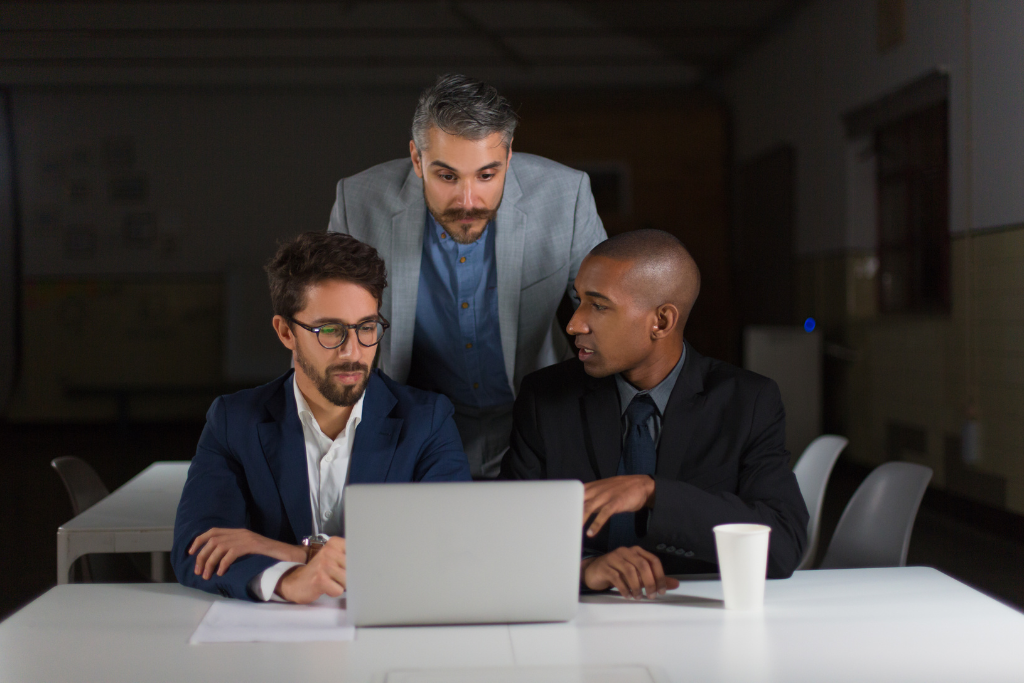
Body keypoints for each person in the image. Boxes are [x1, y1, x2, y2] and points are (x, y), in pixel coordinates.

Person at [500, 229, 808, 599]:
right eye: (578, 300)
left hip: (695, 616)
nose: (574, 323)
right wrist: (583, 570)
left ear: (661, 321)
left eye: (598, 306)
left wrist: (654, 493)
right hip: (579, 616)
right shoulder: (544, 397)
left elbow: (783, 546)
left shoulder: (747, 401)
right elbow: (507, 537)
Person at [328, 74, 607, 478]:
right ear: (417, 159)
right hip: (413, 430)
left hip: (538, 421)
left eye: (486, 175)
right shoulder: (358, 202)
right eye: (447, 176)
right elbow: (330, 331)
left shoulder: (567, 195)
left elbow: (608, 316)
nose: (468, 200)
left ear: (509, 157)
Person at [171, 232, 471, 603]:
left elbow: (450, 549)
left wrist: (297, 557)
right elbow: (196, 550)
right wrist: (287, 583)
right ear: (285, 332)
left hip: (388, 636)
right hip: (270, 643)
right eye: (330, 330)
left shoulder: (427, 421)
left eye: (366, 328)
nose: (353, 351)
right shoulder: (234, 420)